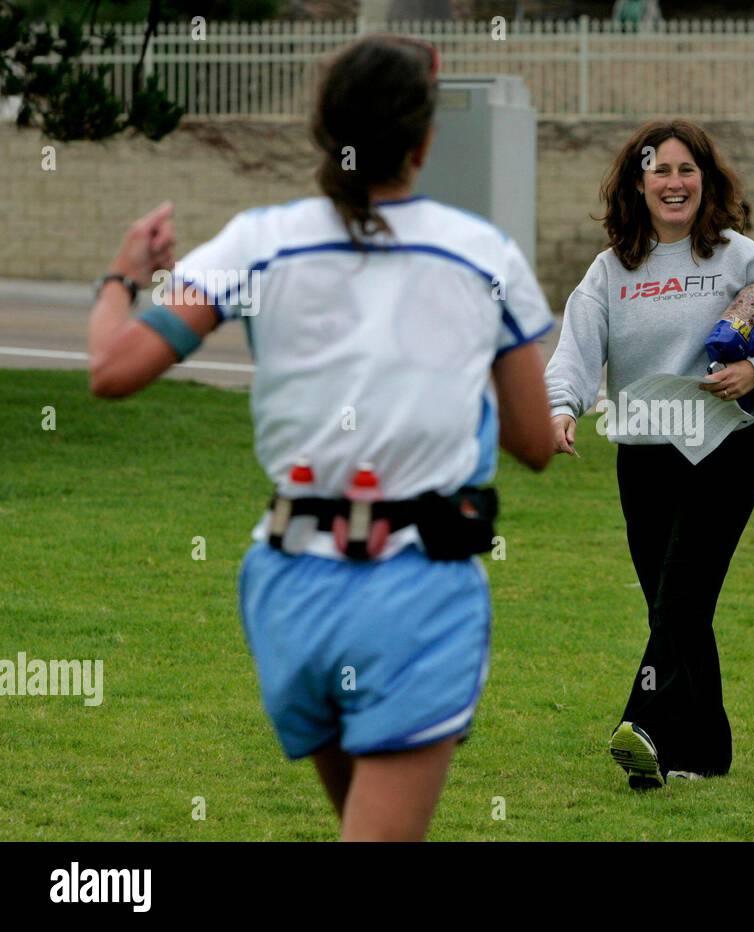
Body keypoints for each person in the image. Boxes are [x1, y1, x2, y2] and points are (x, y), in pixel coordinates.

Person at [86, 35, 554, 840]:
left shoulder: (257, 239)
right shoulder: (484, 254)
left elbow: (113, 369)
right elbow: (535, 443)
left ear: (320, 128)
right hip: (415, 587)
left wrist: (126, 274)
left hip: (289, 589)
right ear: (424, 140)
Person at [545, 119, 754, 788]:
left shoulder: (736, 256)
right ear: (637, 184)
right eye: (660, 171)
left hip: (723, 446)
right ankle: (704, 753)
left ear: (706, 180)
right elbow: (577, 347)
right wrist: (563, 407)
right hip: (643, 452)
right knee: (673, 607)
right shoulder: (612, 269)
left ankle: (640, 726)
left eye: (686, 170)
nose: (673, 183)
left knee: (681, 597)